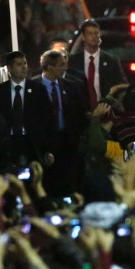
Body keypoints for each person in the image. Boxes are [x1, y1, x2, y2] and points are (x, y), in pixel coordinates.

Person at [36, 49, 88, 196]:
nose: (65, 67)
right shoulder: (33, 87)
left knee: (68, 182)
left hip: (68, 143)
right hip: (45, 144)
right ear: (51, 67)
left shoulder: (72, 86)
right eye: (61, 64)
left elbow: (80, 114)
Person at [0, 51, 53, 167]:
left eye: (25, 63)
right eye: (19, 64)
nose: (24, 67)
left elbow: (48, 119)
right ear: (9, 68)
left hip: (32, 145)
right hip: (8, 145)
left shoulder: (38, 89)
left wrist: (48, 149)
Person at [68, 19, 126, 110]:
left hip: (106, 112)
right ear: (83, 37)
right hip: (81, 113)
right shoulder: (72, 61)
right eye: (90, 34)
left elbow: (122, 85)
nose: (94, 36)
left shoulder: (111, 61)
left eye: (96, 33)